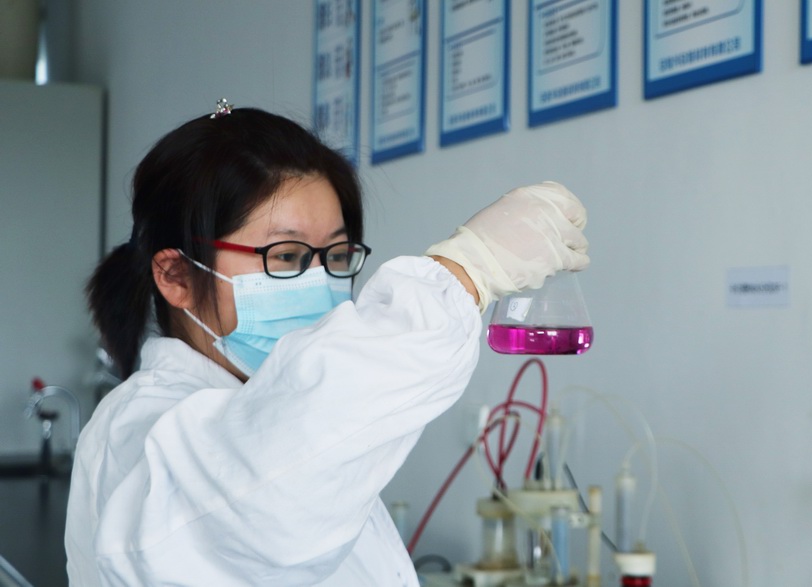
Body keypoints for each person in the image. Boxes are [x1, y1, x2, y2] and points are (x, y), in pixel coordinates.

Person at [65, 104, 589, 586]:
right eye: (285, 256)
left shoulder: (274, 406)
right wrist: (465, 273)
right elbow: (268, 485)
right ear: (177, 276)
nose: (319, 283)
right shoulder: (138, 429)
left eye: (336, 257)